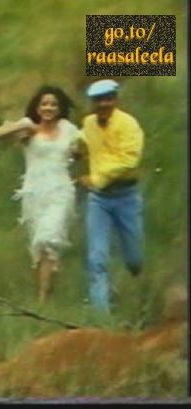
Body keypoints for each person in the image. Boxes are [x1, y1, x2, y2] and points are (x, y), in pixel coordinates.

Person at [0, 86, 80, 304]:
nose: (49, 108)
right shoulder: (28, 128)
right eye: (44, 104)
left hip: (60, 191)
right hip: (34, 193)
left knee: (48, 238)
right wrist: (25, 126)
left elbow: (80, 151)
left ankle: (42, 298)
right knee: (39, 247)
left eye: (53, 104)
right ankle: (46, 294)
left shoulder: (68, 129)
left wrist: (77, 153)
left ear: (60, 108)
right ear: (37, 107)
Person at [77, 79, 145, 312]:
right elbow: (84, 140)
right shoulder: (89, 123)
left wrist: (96, 178)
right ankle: (101, 316)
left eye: (108, 99)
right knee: (97, 258)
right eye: (98, 100)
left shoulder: (128, 125)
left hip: (126, 196)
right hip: (99, 199)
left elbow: (128, 160)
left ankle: (139, 291)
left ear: (115, 100)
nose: (103, 104)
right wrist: (77, 149)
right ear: (92, 102)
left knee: (134, 258)